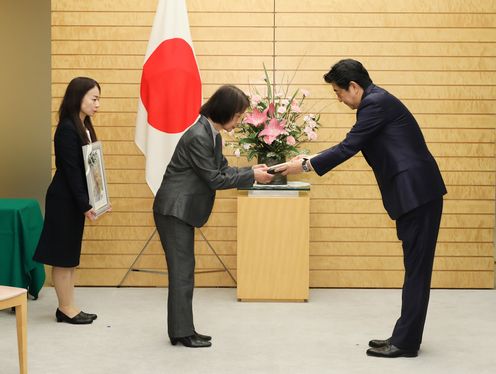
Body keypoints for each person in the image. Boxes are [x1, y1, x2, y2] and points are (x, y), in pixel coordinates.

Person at [278, 59, 446, 358]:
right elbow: (351, 144)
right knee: (415, 269)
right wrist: (307, 159)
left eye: (338, 92)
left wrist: (303, 165)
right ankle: (403, 336)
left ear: (354, 87)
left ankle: (405, 343)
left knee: (417, 271)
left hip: (417, 195)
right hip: (416, 194)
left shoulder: (375, 104)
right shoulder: (377, 101)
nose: (339, 99)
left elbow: (348, 147)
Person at [153, 85, 273, 348]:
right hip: (174, 210)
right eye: (239, 115)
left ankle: (182, 330)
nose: (240, 120)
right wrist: (252, 176)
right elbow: (215, 179)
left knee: (184, 271)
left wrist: (251, 169)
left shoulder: (212, 134)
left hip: (181, 210)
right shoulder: (198, 135)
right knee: (182, 272)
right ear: (225, 111)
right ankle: (182, 332)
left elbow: (223, 169)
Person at [34, 77, 102, 325]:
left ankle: (69, 305)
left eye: (98, 99)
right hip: (64, 201)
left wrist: (96, 198)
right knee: (63, 257)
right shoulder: (66, 129)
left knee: (70, 256)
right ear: (78, 97)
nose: (98, 104)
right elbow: (72, 172)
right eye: (94, 99)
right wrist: (86, 205)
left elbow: (90, 170)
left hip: (74, 200)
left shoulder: (83, 126)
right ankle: (65, 309)